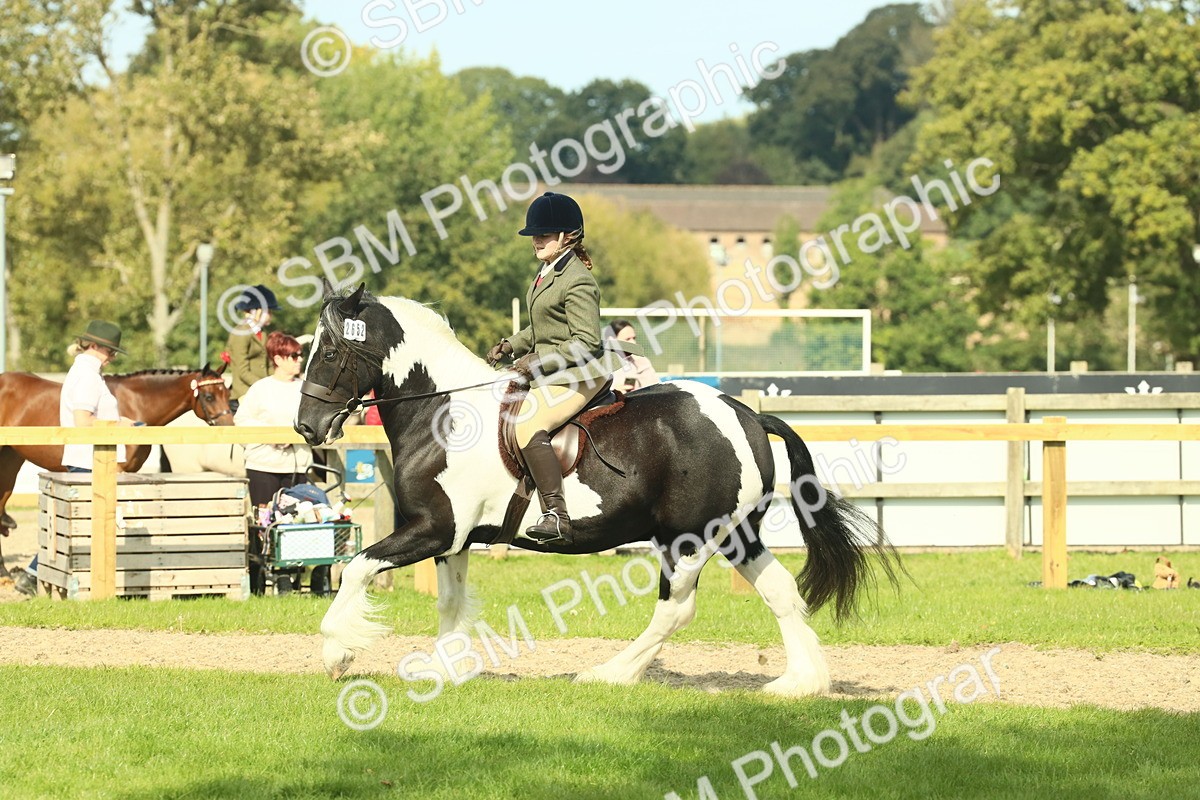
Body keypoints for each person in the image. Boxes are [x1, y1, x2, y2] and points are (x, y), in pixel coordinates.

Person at [486, 192, 610, 546]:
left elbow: (588, 342)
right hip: (555, 373)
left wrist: (539, 360)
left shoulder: (578, 279)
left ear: (567, 236)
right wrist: (511, 345)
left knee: (528, 422)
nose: (537, 240)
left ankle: (556, 515)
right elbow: (542, 327)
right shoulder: (547, 272)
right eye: (534, 235)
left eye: (544, 234)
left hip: (582, 375)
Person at [14, 321, 140, 597]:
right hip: (89, 458)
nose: (112, 357)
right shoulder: (87, 376)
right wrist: (119, 425)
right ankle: (37, 574)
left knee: (76, 522)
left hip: (89, 457)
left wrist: (118, 421)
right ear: (93, 346)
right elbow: (83, 421)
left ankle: (35, 574)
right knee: (81, 523)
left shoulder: (87, 372)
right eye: (110, 351)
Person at [235, 331, 313, 511]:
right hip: (262, 465)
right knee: (264, 520)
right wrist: (271, 436)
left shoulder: (306, 389)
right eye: (294, 356)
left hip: (298, 466)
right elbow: (241, 420)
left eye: (300, 355)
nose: (300, 359)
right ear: (278, 359)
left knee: (298, 520)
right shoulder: (260, 388)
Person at [226, 284, 280, 402]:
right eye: (268, 311)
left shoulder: (263, 333)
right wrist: (265, 386)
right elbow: (242, 371)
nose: (271, 315)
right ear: (256, 311)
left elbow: (268, 364)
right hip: (244, 393)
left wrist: (277, 381)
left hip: (262, 391)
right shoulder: (240, 333)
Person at [602, 319, 660, 392]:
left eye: (634, 338)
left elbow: (655, 388)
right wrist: (613, 392)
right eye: (628, 339)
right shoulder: (601, 363)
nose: (633, 342)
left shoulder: (640, 361)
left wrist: (641, 364)